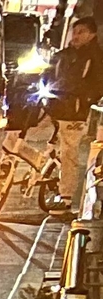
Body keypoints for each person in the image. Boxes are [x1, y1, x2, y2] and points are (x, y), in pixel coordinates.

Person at [55, 16, 102, 213]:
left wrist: (82, 98)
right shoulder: (65, 54)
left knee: (70, 153)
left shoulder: (95, 57)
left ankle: (65, 198)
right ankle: (56, 183)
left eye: (81, 32)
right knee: (59, 149)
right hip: (57, 107)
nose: (76, 36)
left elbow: (97, 84)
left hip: (76, 112)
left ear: (92, 34)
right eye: (75, 32)